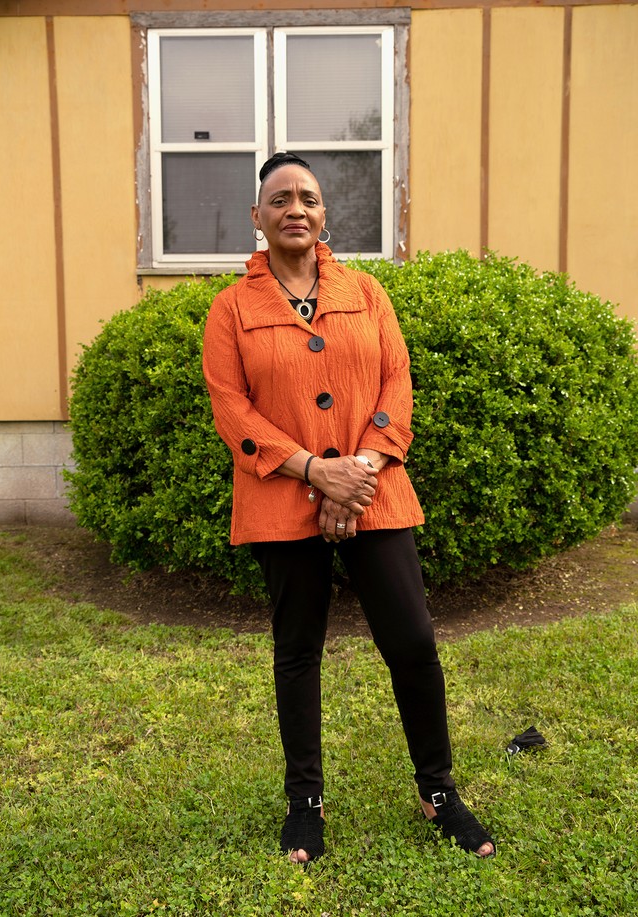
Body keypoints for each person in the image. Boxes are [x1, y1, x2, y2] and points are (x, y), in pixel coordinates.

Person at [202, 152, 495, 862]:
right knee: (298, 651)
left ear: (324, 212)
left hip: (374, 488)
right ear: (258, 217)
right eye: (279, 198)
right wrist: (313, 473)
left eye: (307, 196)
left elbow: (396, 381)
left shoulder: (366, 292)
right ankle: (304, 802)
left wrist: (357, 471)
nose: (294, 207)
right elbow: (231, 409)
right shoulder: (231, 308)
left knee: (413, 643)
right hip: (282, 494)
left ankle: (438, 788)